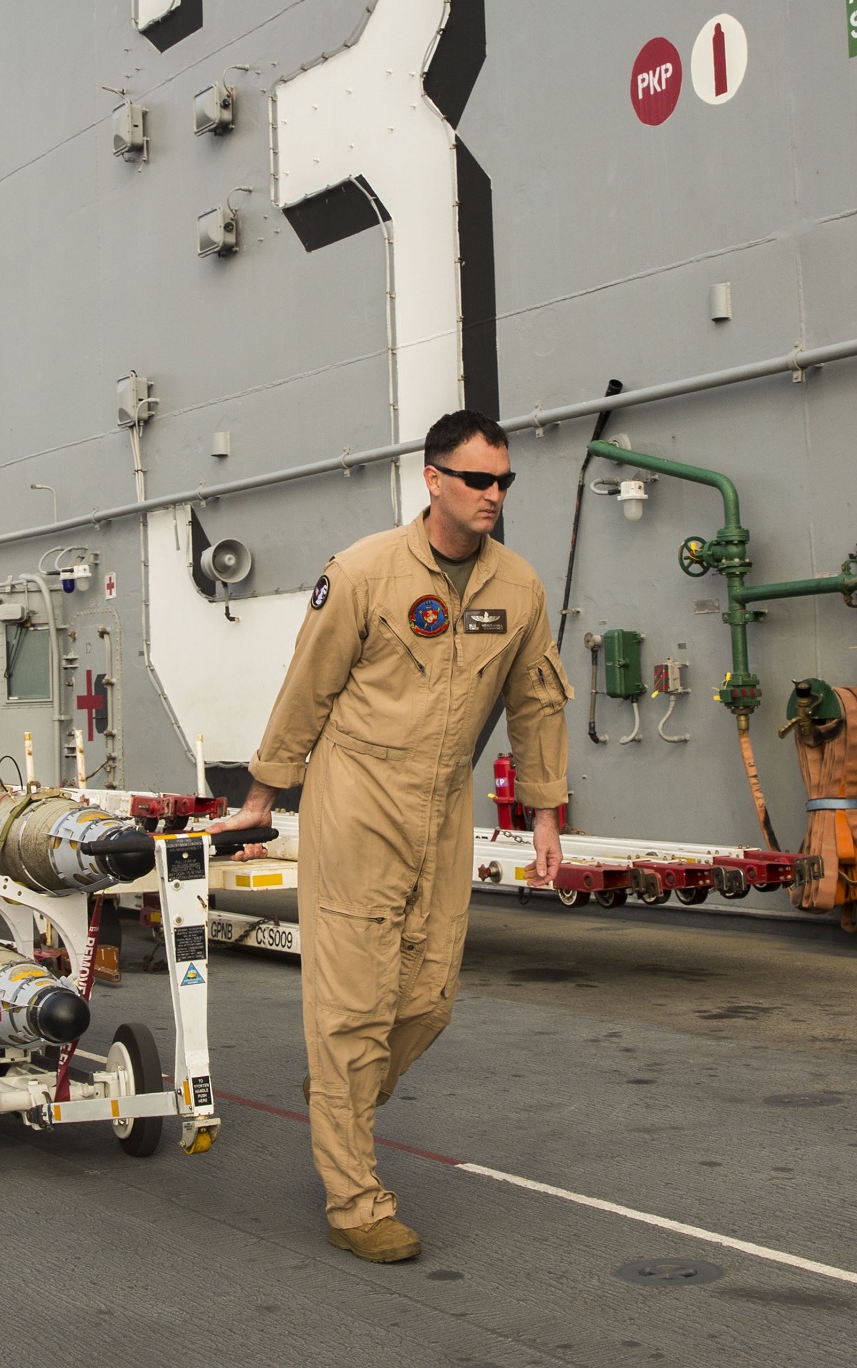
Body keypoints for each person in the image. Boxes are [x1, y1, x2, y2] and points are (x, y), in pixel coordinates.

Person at [212, 409, 572, 1264]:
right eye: (479, 480)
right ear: (434, 479)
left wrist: (546, 815)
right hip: (360, 796)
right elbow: (308, 688)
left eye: (505, 481)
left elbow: (538, 701)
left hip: (445, 804)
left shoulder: (516, 586)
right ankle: (355, 1201)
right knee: (353, 1007)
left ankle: (340, 1093)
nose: (494, 495)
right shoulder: (365, 573)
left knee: (430, 998)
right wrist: (264, 796)